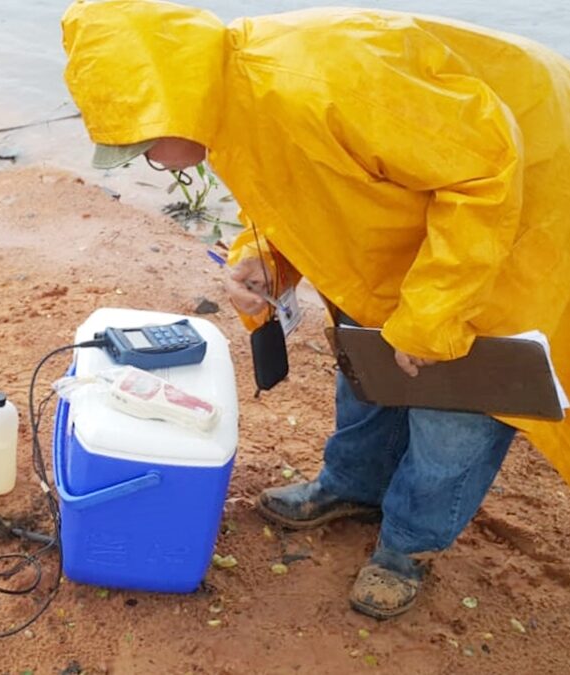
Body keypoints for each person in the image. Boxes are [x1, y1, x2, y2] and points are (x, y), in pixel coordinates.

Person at [61, 0, 570, 618]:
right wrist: (264, 256)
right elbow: (305, 187)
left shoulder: (319, 82)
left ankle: (408, 547)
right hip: (425, 208)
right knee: (367, 359)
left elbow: (486, 173)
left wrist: (433, 312)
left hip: (528, 192)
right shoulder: (220, 100)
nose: (153, 162)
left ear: (171, 100)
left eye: (144, 145)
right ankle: (352, 485)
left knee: (457, 399)